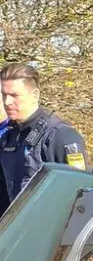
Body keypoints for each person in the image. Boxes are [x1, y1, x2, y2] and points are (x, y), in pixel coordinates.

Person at [0, 63, 88, 212]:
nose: (7, 102)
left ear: (35, 95)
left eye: (14, 95)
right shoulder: (8, 138)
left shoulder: (61, 136)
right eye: (4, 95)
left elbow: (80, 193)